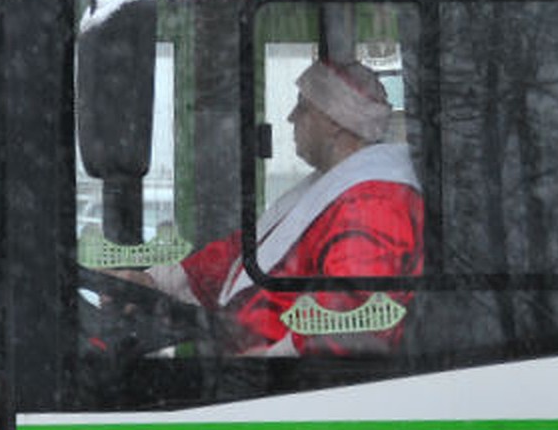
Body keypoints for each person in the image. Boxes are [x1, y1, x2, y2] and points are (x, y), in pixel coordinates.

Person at [117, 59, 424, 357]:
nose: (291, 117)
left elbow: (351, 322)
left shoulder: (374, 204)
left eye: (303, 107)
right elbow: (247, 254)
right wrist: (155, 282)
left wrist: (266, 364)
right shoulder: (334, 185)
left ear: (334, 122)